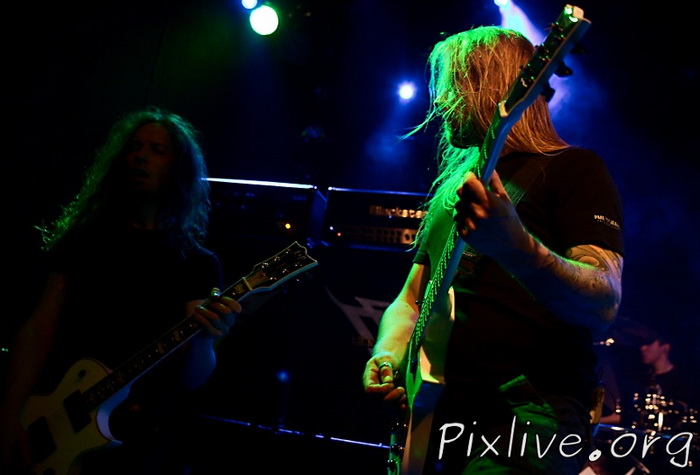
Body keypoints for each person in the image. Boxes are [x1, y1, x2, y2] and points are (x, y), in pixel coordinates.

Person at [362, 25, 625, 474]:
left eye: (454, 86)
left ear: (492, 87)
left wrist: (516, 246)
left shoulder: (573, 169)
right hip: (439, 416)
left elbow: (604, 301)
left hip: (526, 417)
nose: (442, 102)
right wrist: (388, 354)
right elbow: (411, 300)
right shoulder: (454, 192)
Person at [0, 107, 241, 474]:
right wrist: (9, 414)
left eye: (158, 150)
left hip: (135, 438)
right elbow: (37, 332)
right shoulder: (85, 240)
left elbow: (193, 378)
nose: (141, 156)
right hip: (51, 415)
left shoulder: (198, 264)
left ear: (178, 169)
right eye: (135, 147)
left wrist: (206, 340)